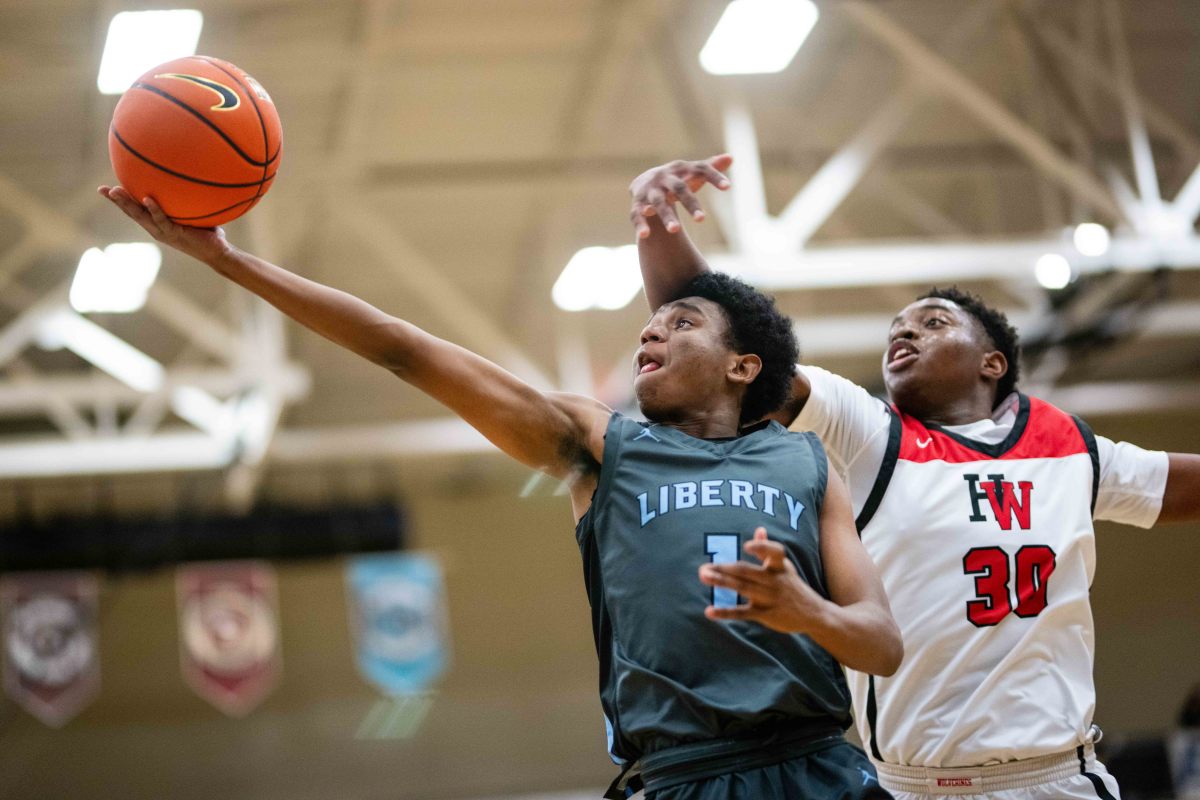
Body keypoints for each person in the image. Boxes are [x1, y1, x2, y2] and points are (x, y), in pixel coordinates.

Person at [98, 185, 902, 799]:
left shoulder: (805, 463)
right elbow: (404, 351)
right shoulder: (599, 445)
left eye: (683, 322)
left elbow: (881, 643)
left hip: (818, 767)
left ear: (744, 367)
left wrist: (810, 614)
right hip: (681, 774)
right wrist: (228, 261)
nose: (651, 330)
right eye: (653, 324)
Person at [629, 155, 1200, 800]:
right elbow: (730, 350)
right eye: (896, 328)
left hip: (1057, 779)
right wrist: (659, 225)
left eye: (933, 323)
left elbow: (1188, 486)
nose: (905, 332)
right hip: (911, 785)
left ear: (993, 361)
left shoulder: (1068, 447)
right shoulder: (871, 435)